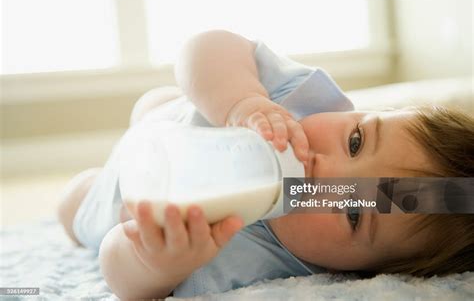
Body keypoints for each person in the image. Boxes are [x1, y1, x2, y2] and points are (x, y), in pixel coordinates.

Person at [57, 30, 474, 299]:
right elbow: (206, 47)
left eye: (352, 213)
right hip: (172, 124)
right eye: (355, 141)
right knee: (163, 100)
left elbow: (118, 270)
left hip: (119, 195)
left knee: (72, 210)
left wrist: (158, 263)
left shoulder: (250, 265)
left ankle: (86, 187)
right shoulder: (296, 101)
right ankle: (153, 115)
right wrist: (241, 101)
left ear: (355, 272)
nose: (321, 172)